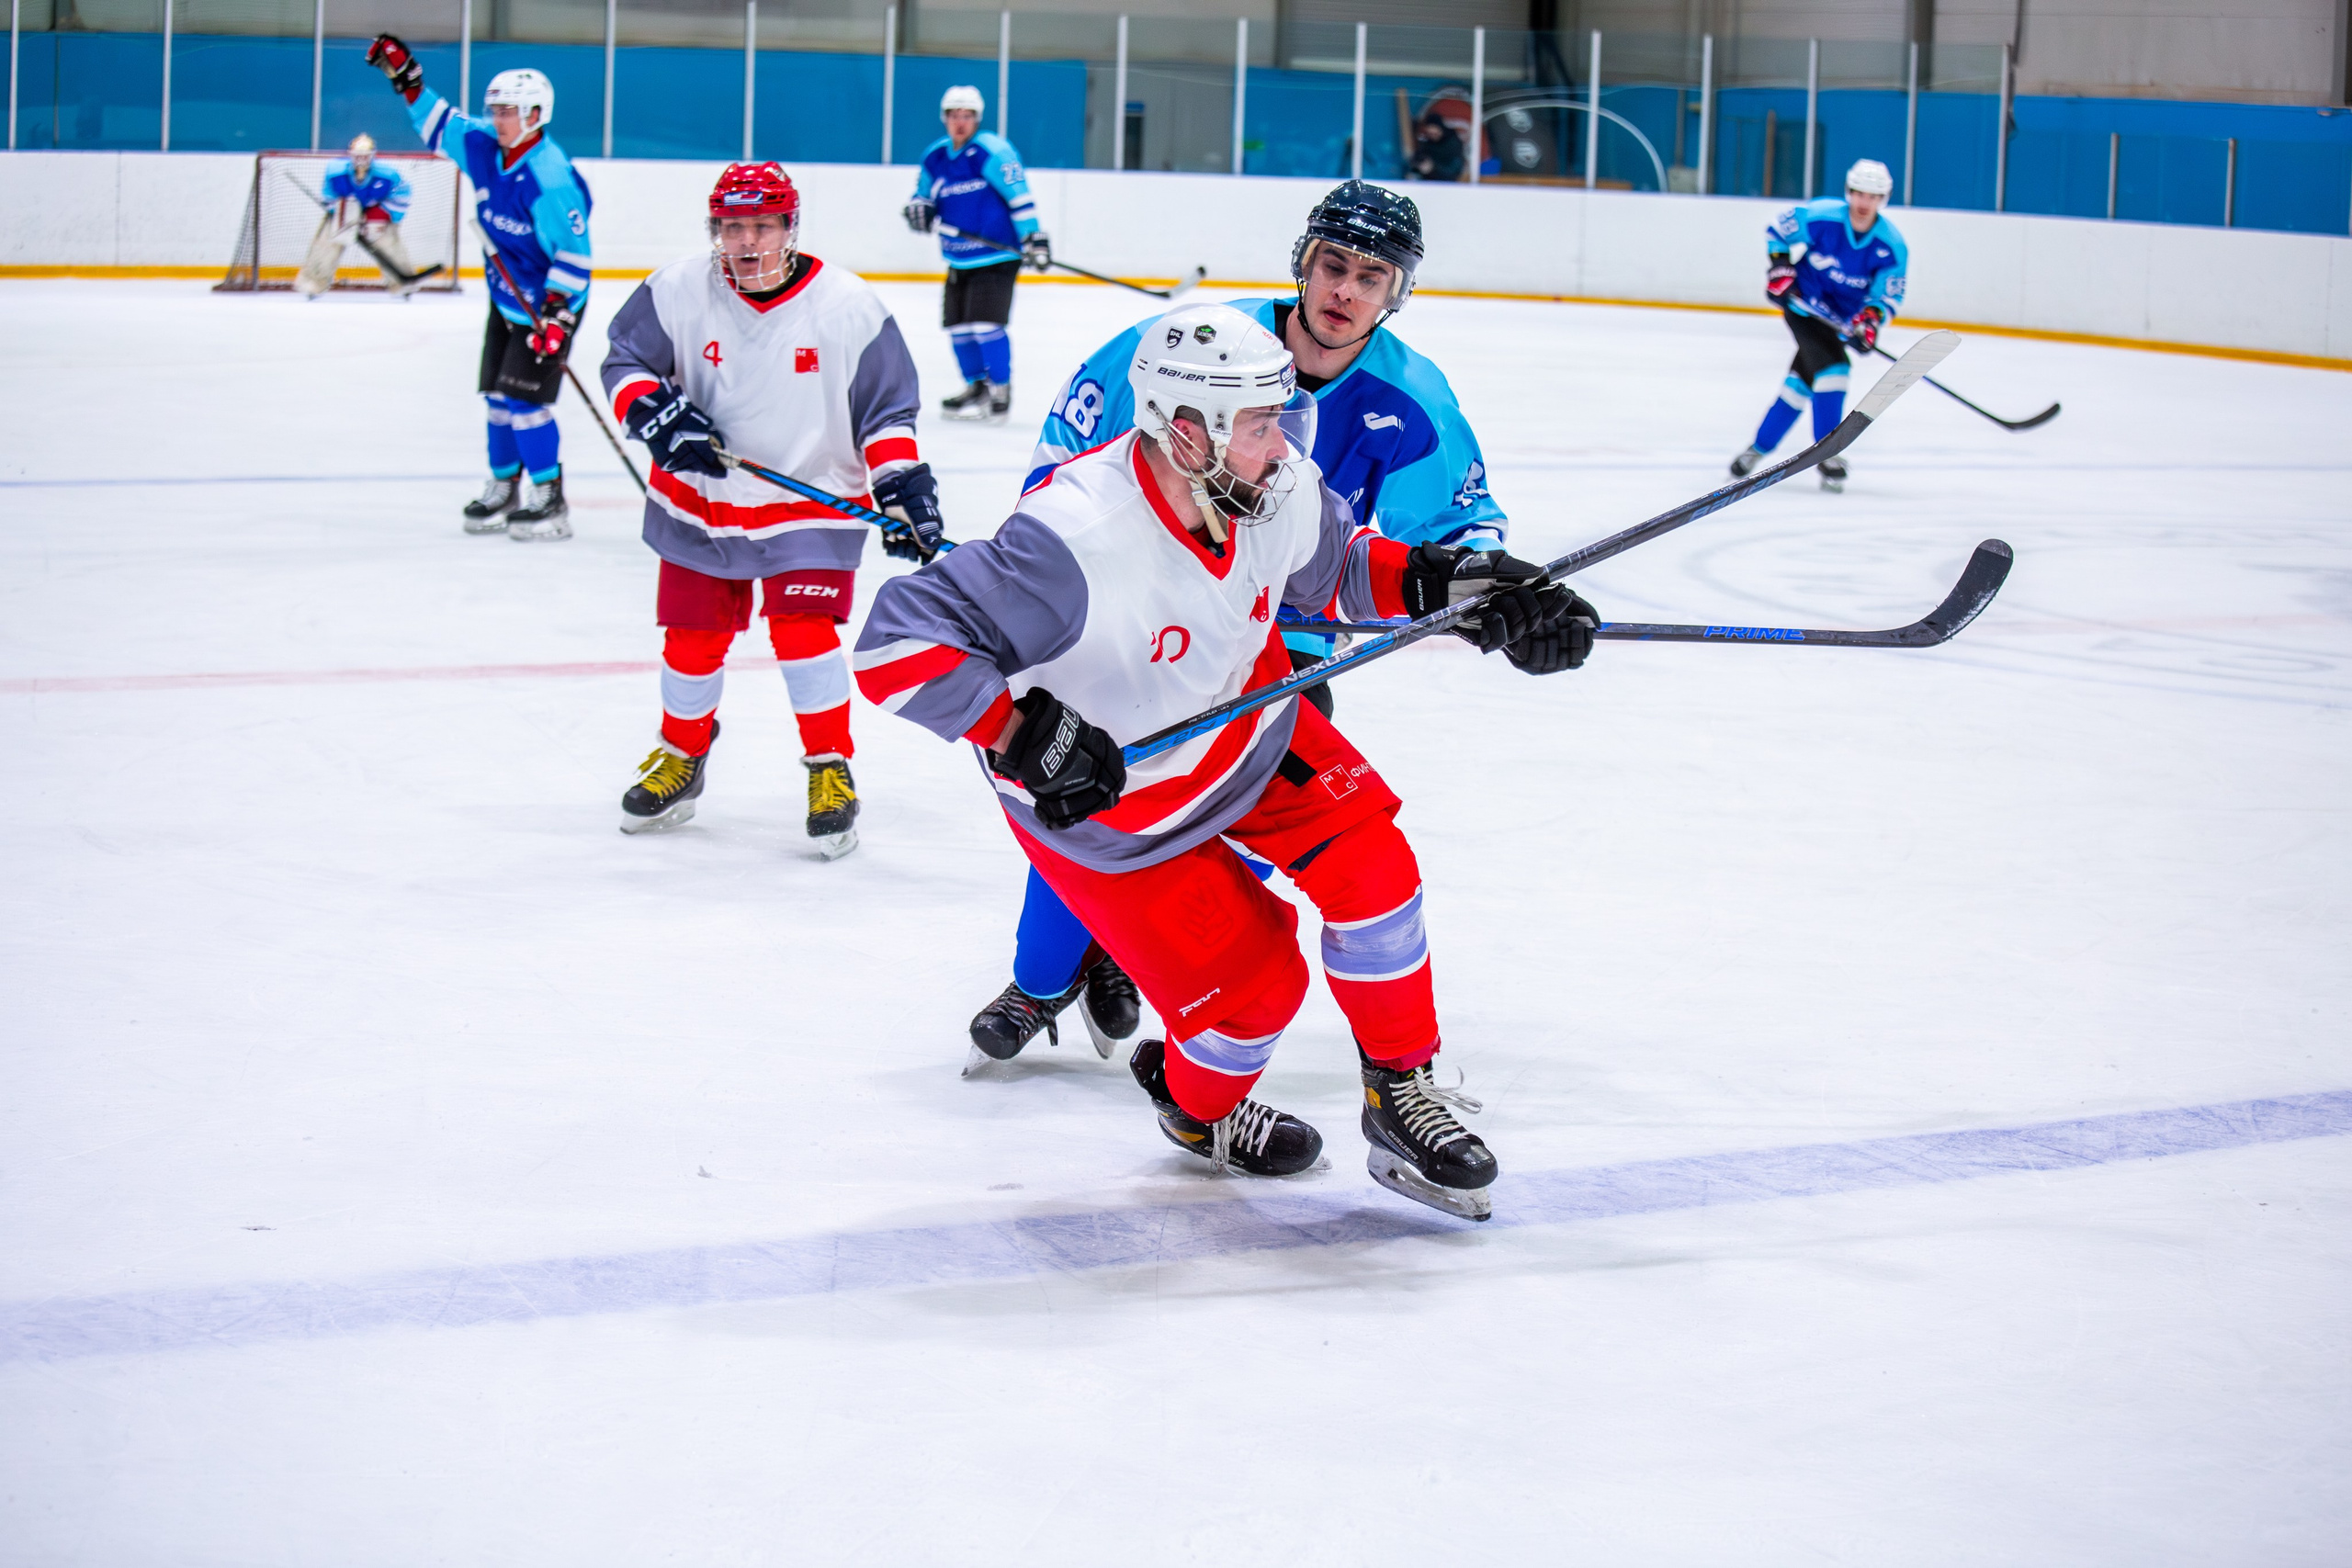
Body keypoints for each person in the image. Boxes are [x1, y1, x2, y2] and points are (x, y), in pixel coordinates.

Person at [853, 303, 1596, 1220]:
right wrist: (1017, 732)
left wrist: (1463, 589)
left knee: (1378, 872)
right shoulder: (1071, 537)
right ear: (1183, 429)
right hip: (1120, 812)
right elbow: (894, 644)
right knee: (1255, 999)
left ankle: (1399, 1093)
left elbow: (1335, 567)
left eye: (1279, 417)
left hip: (1251, 729)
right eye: (1258, 423)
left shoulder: (1269, 483)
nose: (1281, 442)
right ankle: (1195, 1108)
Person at [980, 180, 1509, 1065]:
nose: (1345, 292)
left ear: (1397, 292)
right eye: (1333, 266)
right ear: (1303, 264)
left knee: (1237, 802)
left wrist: (1487, 587)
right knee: (1084, 781)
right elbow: (1061, 473)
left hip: (1283, 635)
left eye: (1371, 277)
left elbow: (1459, 533)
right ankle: (1039, 979)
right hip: (1146, 618)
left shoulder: (1415, 399)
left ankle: (1131, 952)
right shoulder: (1191, 348)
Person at [598, 163, 941, 859]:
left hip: (808, 505)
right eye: (732, 226)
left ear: (790, 226)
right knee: (691, 639)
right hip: (705, 501)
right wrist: (655, 413)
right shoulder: (677, 288)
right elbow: (624, 360)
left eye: (761, 225)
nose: (746, 240)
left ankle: (829, 768)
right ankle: (682, 754)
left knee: (803, 631)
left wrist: (901, 483)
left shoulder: (848, 306)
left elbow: (885, 411)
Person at [367, 34, 594, 538]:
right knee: (495, 397)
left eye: (507, 111)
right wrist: (409, 81)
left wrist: (558, 317)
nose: (497, 119)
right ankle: (503, 487)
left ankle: (549, 499)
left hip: (547, 306)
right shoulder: (488, 151)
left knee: (526, 403)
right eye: (494, 109)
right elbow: (440, 124)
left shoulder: (551, 180)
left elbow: (577, 257)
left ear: (536, 114)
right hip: (506, 299)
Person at [1729, 158, 1908, 493]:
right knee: (1835, 368)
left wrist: (1869, 322)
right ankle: (1827, 453)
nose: (1864, 203)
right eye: (1858, 193)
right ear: (1849, 192)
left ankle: (1756, 449)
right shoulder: (1823, 215)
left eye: (1873, 196)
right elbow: (1778, 233)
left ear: (1883, 199)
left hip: (1839, 323)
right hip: (1802, 306)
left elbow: (1886, 295)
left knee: (1801, 381)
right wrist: (1780, 268)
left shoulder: (1891, 246)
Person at [900, 85, 1052, 425]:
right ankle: (976, 387)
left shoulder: (993, 152)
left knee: (986, 325)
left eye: (967, 116)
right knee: (959, 329)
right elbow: (922, 196)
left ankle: (1000, 389)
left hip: (997, 256)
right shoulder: (935, 157)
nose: (960, 122)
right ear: (945, 118)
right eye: (954, 116)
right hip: (958, 258)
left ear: (977, 119)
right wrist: (918, 211)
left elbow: (1019, 196)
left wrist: (1034, 238)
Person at [296, 133, 418, 299]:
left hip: (376, 213)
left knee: (388, 243)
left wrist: (383, 213)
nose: (361, 160)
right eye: (358, 156)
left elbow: (403, 195)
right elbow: (329, 195)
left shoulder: (388, 174)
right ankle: (313, 282)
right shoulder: (334, 171)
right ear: (351, 155)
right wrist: (343, 212)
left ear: (372, 156)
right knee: (327, 242)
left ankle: (401, 282)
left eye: (365, 156)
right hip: (345, 213)